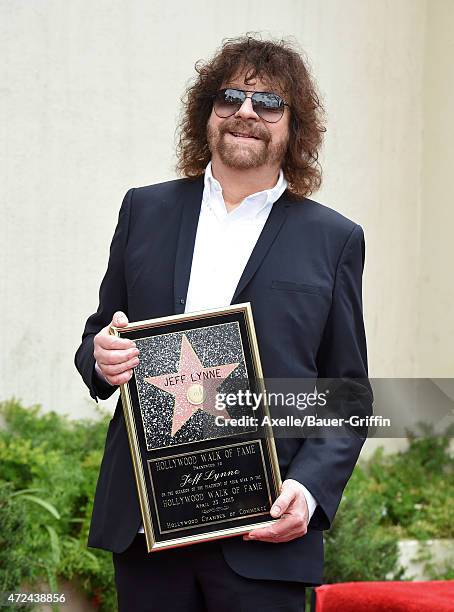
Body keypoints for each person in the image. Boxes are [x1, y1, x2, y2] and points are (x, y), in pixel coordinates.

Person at [75, 35, 372, 612]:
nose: (245, 112)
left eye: (269, 103)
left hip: (263, 530)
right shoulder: (144, 210)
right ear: (206, 113)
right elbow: (97, 336)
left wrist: (309, 492)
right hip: (147, 527)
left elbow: (348, 393)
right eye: (230, 96)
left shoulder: (334, 239)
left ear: (295, 127)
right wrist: (101, 356)